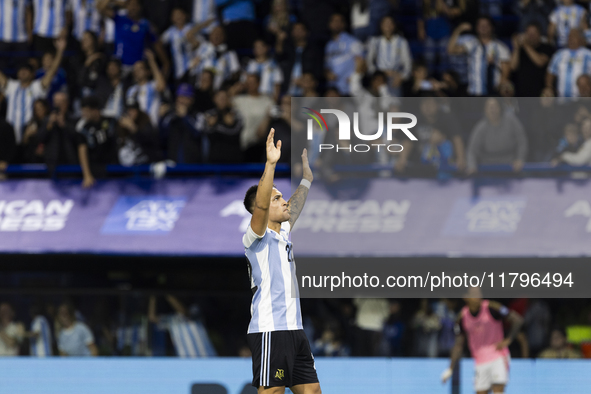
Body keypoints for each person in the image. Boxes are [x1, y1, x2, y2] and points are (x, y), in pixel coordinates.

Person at [243, 128, 320, 393]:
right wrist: (271, 164)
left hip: (294, 329)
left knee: (312, 391)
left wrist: (307, 180)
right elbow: (263, 206)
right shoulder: (256, 237)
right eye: (277, 198)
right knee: (272, 391)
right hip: (270, 329)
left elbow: (294, 206)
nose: (284, 201)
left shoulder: (283, 232)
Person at [441, 287, 524, 394]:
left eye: (479, 292)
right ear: (466, 297)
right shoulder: (462, 317)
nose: (478, 296)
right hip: (480, 361)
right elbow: (458, 344)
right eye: (474, 293)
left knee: (498, 390)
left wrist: (508, 339)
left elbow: (518, 320)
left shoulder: (492, 307)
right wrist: (450, 368)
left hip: (498, 356)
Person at [0, 37, 66, 146]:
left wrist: (60, 51)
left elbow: (52, 71)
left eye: (27, 70)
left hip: (31, 135)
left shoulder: (37, 87)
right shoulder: (12, 86)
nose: (23, 72)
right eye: (21, 70)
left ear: (32, 74)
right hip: (10, 135)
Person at [97, 0, 170, 77]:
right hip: (120, 67)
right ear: (126, 6)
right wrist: (117, 2)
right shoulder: (119, 19)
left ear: (140, 7)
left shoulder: (145, 25)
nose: (133, 8)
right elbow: (100, 7)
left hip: (137, 69)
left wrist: (166, 64)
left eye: (135, 5)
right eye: (130, 5)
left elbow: (157, 44)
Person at [447, 17, 511, 96]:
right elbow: (451, 50)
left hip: (492, 93)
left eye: (486, 25)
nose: (483, 27)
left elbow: (506, 72)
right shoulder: (472, 44)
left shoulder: (500, 47)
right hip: (474, 92)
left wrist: (498, 90)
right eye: (481, 25)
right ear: (477, 28)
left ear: (492, 27)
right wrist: (458, 30)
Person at [466, 97, 528, 174]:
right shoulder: (480, 127)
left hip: (511, 167)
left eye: (495, 107)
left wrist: (520, 159)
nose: (493, 110)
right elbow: (472, 150)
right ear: (485, 110)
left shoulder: (512, 121)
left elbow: (522, 141)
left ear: (500, 108)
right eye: (490, 107)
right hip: (487, 169)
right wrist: (472, 166)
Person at [148, 295, 217, 357]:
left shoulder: (194, 309)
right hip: (187, 362)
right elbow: (152, 318)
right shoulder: (172, 319)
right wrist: (153, 296)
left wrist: (168, 295)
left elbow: (184, 313)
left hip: (206, 357)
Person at [76, 95, 117, 188]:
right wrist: (87, 175)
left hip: (114, 167)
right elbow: (82, 150)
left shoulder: (111, 121)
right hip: (97, 169)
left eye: (86, 111)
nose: (83, 114)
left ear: (95, 110)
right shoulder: (83, 128)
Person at [366, 16, 412, 96]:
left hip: (394, 77)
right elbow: (369, 61)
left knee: (394, 104)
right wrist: (376, 75)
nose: (388, 26)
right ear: (381, 26)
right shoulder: (375, 41)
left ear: (394, 26)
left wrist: (401, 77)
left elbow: (408, 63)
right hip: (379, 77)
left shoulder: (402, 42)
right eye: (385, 23)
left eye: (390, 23)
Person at [233, 73, 274, 162]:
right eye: (248, 82)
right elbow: (223, 100)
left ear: (258, 83)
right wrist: (236, 88)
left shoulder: (267, 101)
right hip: (242, 144)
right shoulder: (239, 100)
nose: (250, 85)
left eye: (252, 82)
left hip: (260, 145)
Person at [275, 22, 323, 97]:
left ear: (307, 32)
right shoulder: (288, 48)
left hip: (307, 90)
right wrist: (280, 40)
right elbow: (279, 57)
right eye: (295, 29)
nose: (297, 32)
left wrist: (306, 80)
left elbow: (318, 70)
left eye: (300, 29)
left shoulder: (314, 50)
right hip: (289, 89)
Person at [160, 84, 205, 164]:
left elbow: (197, 133)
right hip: (174, 164)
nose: (181, 100)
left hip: (193, 166)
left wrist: (185, 117)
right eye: (179, 97)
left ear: (191, 100)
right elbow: (162, 135)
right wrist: (161, 117)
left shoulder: (198, 115)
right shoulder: (171, 116)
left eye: (185, 97)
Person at [510, 22, 554, 97]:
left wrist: (525, 45)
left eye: (534, 33)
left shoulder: (547, 47)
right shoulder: (520, 50)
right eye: (529, 33)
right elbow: (512, 67)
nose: (531, 35)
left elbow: (540, 62)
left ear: (540, 34)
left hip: (539, 94)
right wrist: (516, 48)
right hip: (520, 94)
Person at [325, 13, 363, 96]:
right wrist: (328, 73)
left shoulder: (353, 41)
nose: (336, 24)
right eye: (334, 21)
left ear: (344, 24)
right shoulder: (329, 45)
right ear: (329, 24)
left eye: (338, 21)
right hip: (334, 90)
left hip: (349, 90)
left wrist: (354, 77)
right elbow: (327, 66)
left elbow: (361, 61)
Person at [545, 28, 591, 98]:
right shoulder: (559, 54)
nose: (571, 39)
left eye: (574, 36)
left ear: (580, 39)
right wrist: (549, 87)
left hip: (581, 99)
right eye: (569, 36)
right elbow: (550, 73)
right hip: (562, 99)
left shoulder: (588, 55)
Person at [126, 50, 167, 126]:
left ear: (147, 71)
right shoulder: (131, 90)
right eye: (135, 69)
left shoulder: (153, 85)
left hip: (151, 126)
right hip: (136, 128)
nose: (137, 71)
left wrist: (152, 61)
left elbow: (161, 86)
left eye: (140, 68)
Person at [116, 98, 161, 166]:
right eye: (128, 110)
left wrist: (133, 129)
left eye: (133, 110)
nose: (130, 113)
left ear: (138, 111)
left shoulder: (146, 123)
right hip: (126, 169)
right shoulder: (122, 125)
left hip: (145, 167)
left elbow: (150, 143)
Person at [204, 89, 243, 163]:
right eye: (220, 97)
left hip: (233, 161)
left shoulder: (235, 115)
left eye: (225, 97)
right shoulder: (209, 114)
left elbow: (235, 132)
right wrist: (213, 126)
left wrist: (231, 125)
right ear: (214, 99)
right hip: (213, 161)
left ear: (229, 99)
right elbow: (206, 132)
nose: (222, 100)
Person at [161, 8, 195, 83]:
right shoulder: (170, 32)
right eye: (175, 15)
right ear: (172, 18)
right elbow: (159, 42)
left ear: (185, 16)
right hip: (178, 73)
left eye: (180, 14)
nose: (178, 17)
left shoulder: (191, 28)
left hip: (193, 70)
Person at [0, 0, 32, 70]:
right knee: (2, 67)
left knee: (22, 66)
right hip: (3, 36)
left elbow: (28, 12)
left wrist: (29, 32)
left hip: (21, 37)